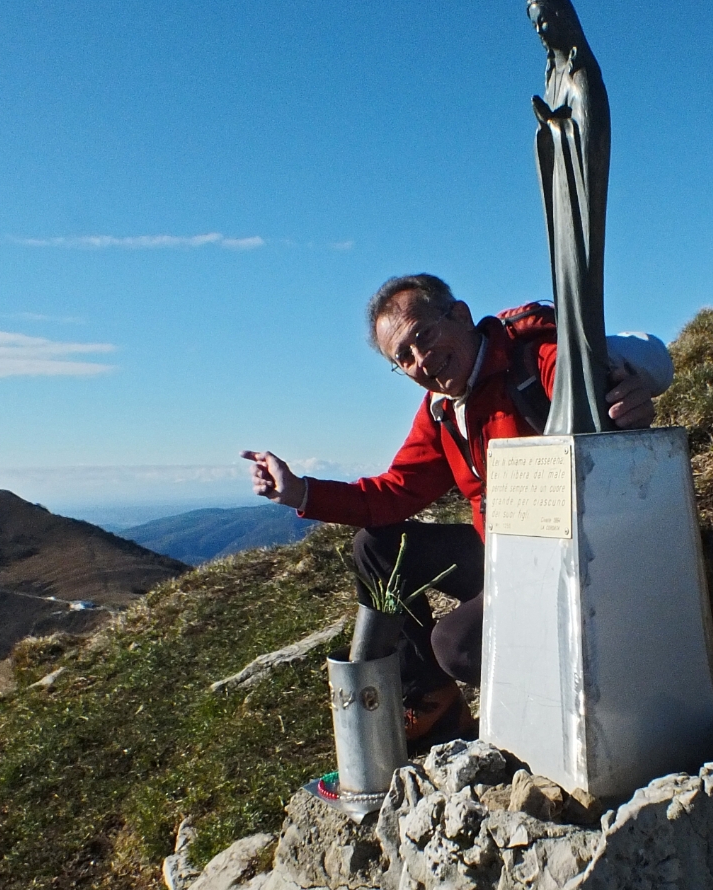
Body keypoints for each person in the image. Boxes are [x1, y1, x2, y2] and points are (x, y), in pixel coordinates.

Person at [241, 273, 672, 748]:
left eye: (423, 336)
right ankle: (435, 705)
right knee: (378, 548)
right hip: (503, 556)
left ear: (461, 315)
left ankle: (580, 708)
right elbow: (392, 493)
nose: (420, 360)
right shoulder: (443, 410)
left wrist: (620, 398)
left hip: (576, 564)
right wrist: (301, 491)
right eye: (402, 357)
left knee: (458, 645)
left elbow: (589, 386)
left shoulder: (532, 362)